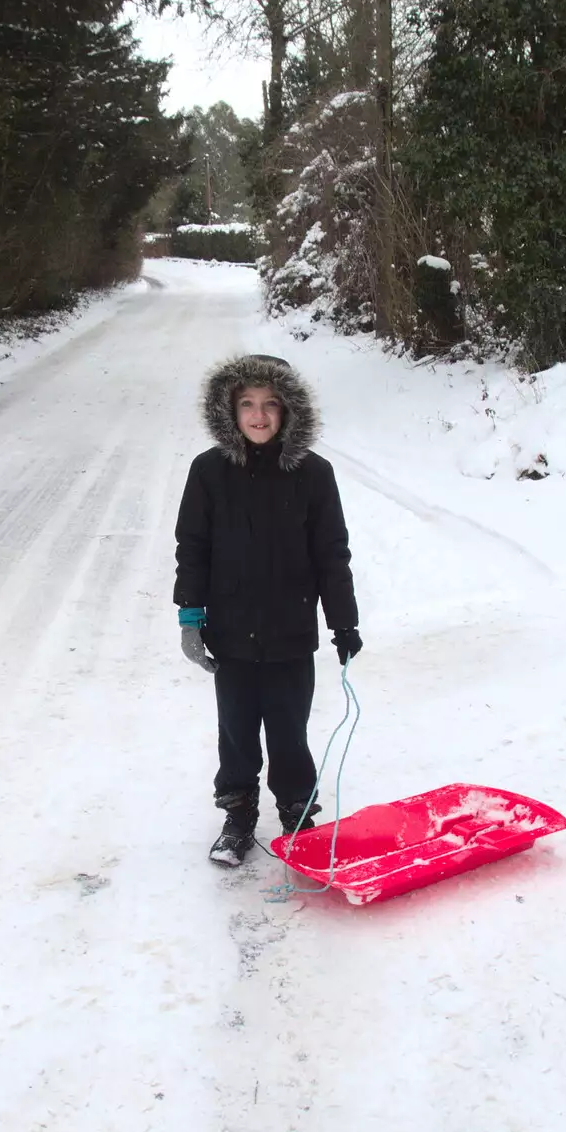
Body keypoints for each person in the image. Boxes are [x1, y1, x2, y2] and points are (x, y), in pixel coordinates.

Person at [173, 353, 362, 866]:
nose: (259, 416)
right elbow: (193, 547)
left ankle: (298, 814)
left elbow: (331, 553)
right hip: (230, 630)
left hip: (290, 629)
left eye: (270, 405)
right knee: (235, 728)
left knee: (288, 728)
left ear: (288, 411)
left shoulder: (313, 473)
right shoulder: (209, 471)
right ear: (229, 411)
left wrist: (343, 620)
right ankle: (238, 816)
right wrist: (191, 618)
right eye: (247, 404)